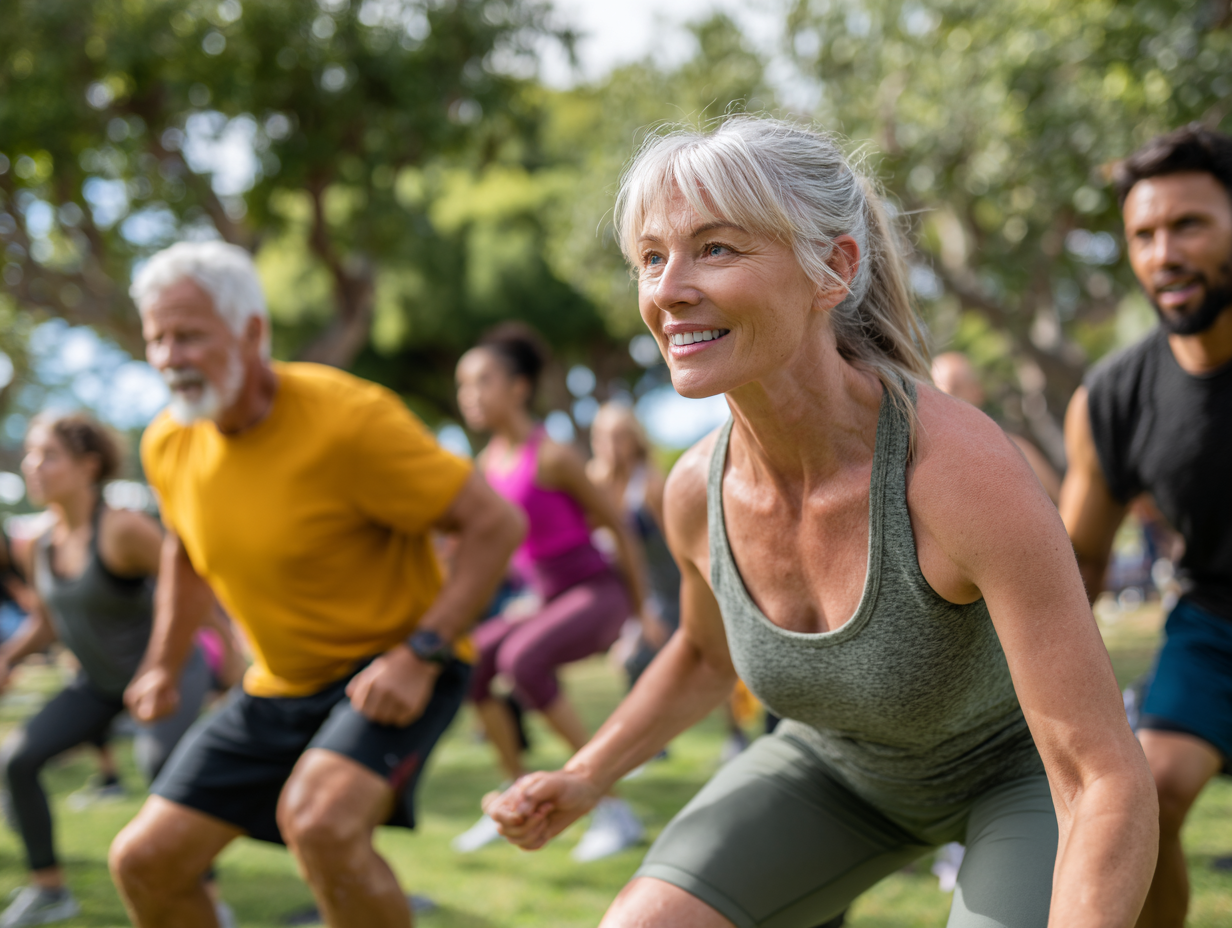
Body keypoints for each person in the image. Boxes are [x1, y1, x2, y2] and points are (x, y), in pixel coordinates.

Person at [484, 115, 1158, 928]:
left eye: (717, 249)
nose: (667, 290)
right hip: (835, 771)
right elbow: (703, 655)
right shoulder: (696, 489)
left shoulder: (953, 473)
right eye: (651, 259)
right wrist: (587, 775)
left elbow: (1099, 775)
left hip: (1021, 776)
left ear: (832, 268)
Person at [106, 241, 524, 928]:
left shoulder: (350, 419)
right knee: (145, 861)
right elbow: (184, 550)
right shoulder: (168, 443)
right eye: (157, 338)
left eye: (189, 336)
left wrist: (420, 653)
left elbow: (494, 524)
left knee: (321, 826)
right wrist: (163, 662)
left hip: (394, 665)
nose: (169, 357)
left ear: (252, 332)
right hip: (276, 685)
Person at [1059, 123, 1232, 928]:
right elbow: (1074, 569)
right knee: (1146, 798)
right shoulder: (1112, 400)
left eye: (1189, 225)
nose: (1164, 254)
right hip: (1213, 622)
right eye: (1143, 234)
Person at [0, 413, 212, 928]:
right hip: (100, 684)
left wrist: (225, 666)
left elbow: (190, 587)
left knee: (165, 771)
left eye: (48, 455)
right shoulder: (40, 543)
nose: (34, 465)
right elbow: (49, 621)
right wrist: (8, 657)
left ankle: (206, 897)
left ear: (88, 465)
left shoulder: (122, 529)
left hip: (168, 671)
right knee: (17, 761)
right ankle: (50, 891)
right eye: (31, 454)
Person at [452, 327, 649, 861]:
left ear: (518, 388)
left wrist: (643, 609)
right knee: (472, 662)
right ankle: (516, 802)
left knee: (523, 658)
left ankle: (611, 806)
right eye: (462, 385)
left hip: (595, 592)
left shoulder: (553, 455)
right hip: (544, 598)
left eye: (481, 381)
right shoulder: (487, 465)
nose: (468, 394)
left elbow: (619, 527)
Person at [930, 352, 1062, 503]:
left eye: (954, 388)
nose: (946, 398)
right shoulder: (938, 468)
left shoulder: (1016, 449)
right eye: (938, 392)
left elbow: (1060, 501)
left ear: (977, 390)